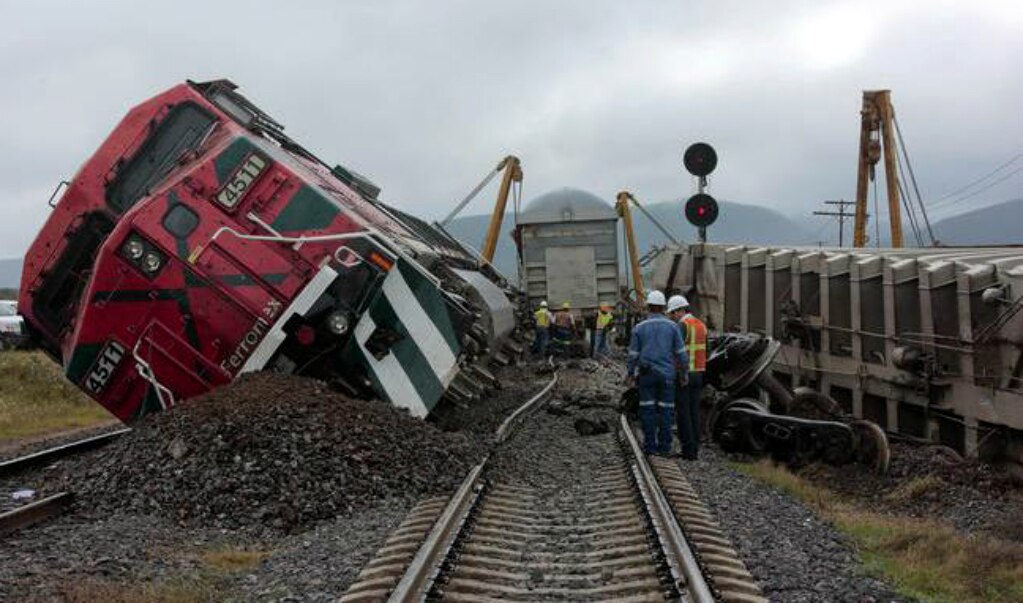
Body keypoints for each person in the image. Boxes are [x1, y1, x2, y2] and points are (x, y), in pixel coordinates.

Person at [627, 291, 688, 455]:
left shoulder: (639, 328)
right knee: (666, 411)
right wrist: (684, 374)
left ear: (648, 307)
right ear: (663, 308)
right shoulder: (673, 327)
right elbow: (681, 353)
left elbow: (633, 355)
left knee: (647, 410)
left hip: (646, 376)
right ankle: (664, 448)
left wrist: (630, 374)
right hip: (668, 376)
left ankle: (650, 446)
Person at [668, 294, 707, 460]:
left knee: (683, 412)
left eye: (672, 313)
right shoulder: (701, 325)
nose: (671, 317)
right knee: (694, 411)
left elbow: (676, 351)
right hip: (699, 372)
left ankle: (688, 451)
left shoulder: (682, 326)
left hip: (684, 373)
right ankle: (695, 447)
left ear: (679, 311)